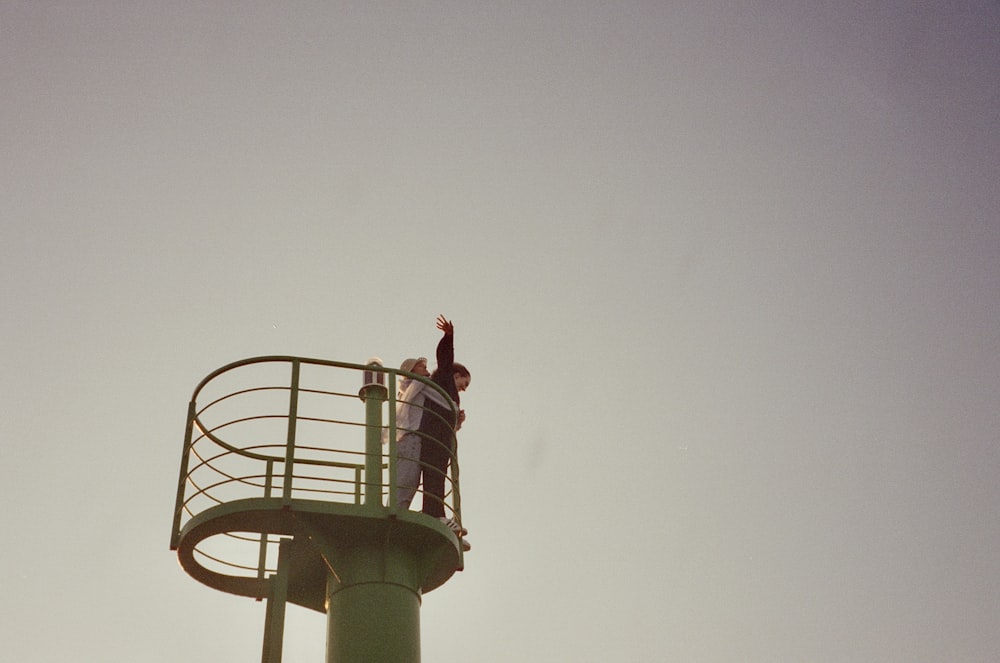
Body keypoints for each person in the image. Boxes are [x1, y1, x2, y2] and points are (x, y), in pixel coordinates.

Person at [417, 315, 471, 545]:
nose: (464, 389)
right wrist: (449, 337)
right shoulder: (444, 378)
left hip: (440, 437)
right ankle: (435, 513)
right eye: (464, 383)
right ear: (455, 376)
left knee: (436, 474)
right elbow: (445, 360)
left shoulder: (450, 395)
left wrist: (456, 421)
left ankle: (435, 512)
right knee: (433, 475)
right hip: (432, 435)